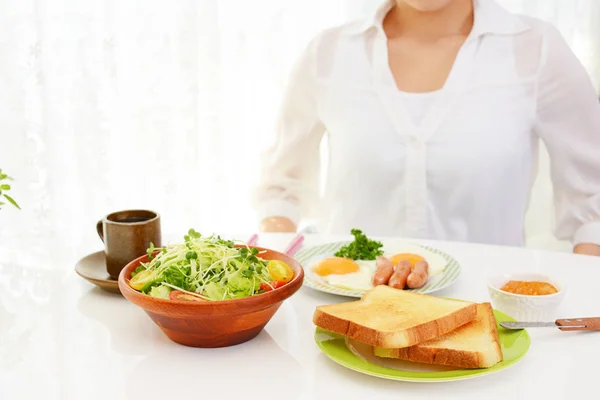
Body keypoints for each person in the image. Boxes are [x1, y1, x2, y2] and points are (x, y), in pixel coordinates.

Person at [254, 0, 600, 256]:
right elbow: (280, 189)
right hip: (348, 312)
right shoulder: (328, 53)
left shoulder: (535, 49)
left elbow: (593, 204)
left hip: (486, 318)